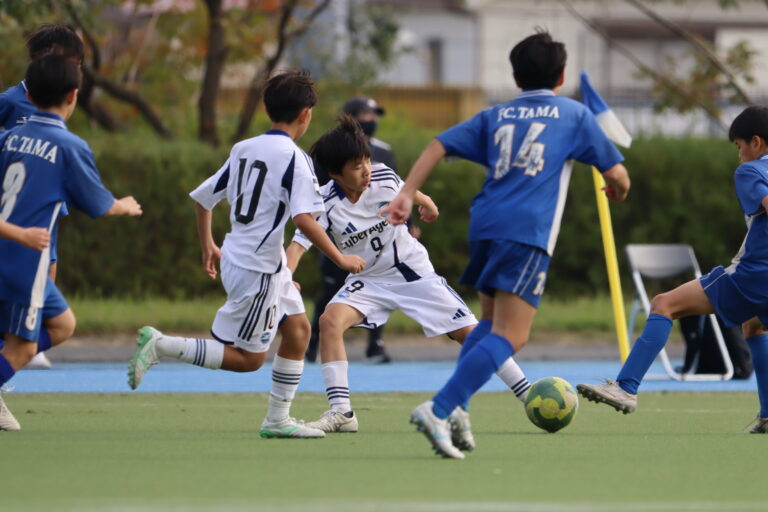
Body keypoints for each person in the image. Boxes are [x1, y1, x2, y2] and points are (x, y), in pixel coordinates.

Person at [382, 31, 631, 459]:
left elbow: (438, 144)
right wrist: (618, 189)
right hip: (526, 231)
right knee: (513, 336)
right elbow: (619, 175)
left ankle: (458, 408)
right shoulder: (573, 114)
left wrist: (406, 192)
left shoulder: (496, 114)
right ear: (562, 76)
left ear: (516, 77)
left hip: (485, 224)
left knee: (489, 324)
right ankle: (439, 408)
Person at [127, 70, 365, 439]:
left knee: (298, 330)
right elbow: (305, 219)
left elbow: (203, 199)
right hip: (258, 268)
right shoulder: (296, 159)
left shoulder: (244, 148)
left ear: (268, 110)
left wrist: (207, 244)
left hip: (252, 259)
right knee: (249, 359)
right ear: (306, 115)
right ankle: (163, 345)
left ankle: (278, 419)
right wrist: (341, 258)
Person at [287, 116, 534, 447]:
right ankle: (342, 413)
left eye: (366, 161)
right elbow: (298, 244)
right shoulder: (323, 203)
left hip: (412, 273)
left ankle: (529, 394)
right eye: (356, 167)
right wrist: (287, 277)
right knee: (329, 321)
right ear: (334, 174)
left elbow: (407, 190)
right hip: (370, 281)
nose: (366, 170)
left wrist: (427, 203)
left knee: (468, 333)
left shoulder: (383, 177)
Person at [578, 105, 768, 433]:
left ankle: (625, 387)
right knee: (754, 326)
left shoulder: (750, 171)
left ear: (756, 142)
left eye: (739, 147)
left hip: (755, 275)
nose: (739, 155)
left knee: (664, 304)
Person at [0, 54, 142, 430]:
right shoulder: (69, 145)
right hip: (23, 263)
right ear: (73, 96)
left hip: (13, 255)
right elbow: (98, 205)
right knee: (22, 348)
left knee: (63, 324)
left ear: (29, 96)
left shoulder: (8, 138)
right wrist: (124, 205)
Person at [0, 24, 86, 370]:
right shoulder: (11, 100)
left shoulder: (61, 97)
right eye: (72, 63)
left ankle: (29, 338)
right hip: (15, 208)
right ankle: (18, 347)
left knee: (48, 266)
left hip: (47, 203)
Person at [305, 96, 399, 364]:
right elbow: (315, 204)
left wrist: (412, 221)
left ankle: (375, 345)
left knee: (382, 289)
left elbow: (399, 190)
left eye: (375, 114)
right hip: (340, 237)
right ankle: (313, 344)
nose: (372, 120)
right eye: (366, 114)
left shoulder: (384, 152)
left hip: (376, 237)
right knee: (331, 292)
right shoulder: (330, 154)